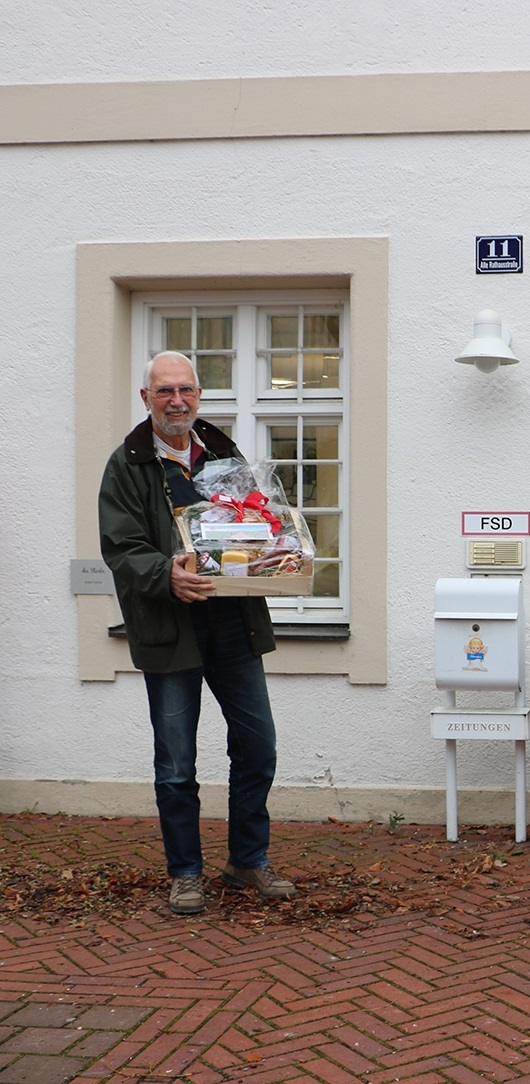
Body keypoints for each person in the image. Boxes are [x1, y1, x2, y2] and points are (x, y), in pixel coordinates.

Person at [99, 351, 297, 916]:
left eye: (185, 389)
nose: (176, 401)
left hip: (233, 622)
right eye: (164, 391)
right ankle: (185, 873)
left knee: (258, 747)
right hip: (170, 627)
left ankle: (247, 861)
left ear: (199, 395)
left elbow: (254, 521)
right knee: (176, 764)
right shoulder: (126, 464)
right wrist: (166, 575)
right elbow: (121, 548)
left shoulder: (223, 453)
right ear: (146, 398)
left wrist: (273, 548)